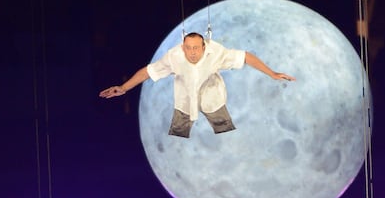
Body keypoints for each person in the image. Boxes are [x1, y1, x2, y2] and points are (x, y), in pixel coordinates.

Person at [99, 31, 295, 138]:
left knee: (224, 133)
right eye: (188, 48)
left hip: (212, 99)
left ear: (204, 47)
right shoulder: (174, 56)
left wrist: (272, 73)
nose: (192, 52)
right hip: (184, 103)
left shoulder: (216, 52)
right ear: (183, 48)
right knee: (178, 136)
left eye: (196, 48)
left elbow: (246, 57)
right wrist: (123, 88)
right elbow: (148, 72)